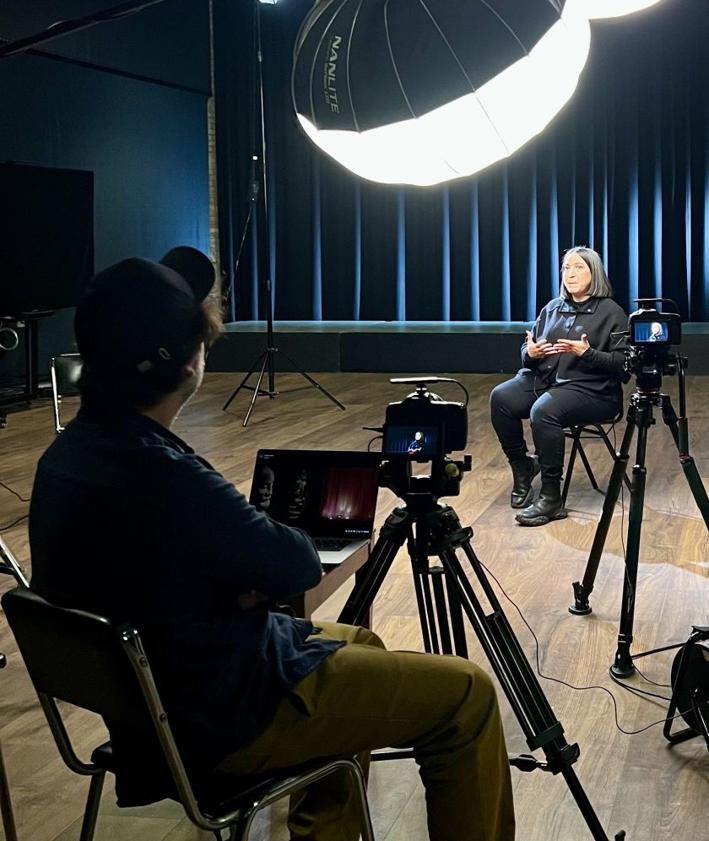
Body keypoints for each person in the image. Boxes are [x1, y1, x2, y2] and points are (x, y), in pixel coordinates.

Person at [29, 249, 515, 841]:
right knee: (467, 696)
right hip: (224, 714)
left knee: (361, 639)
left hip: (150, 704)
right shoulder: (163, 475)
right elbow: (296, 564)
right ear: (188, 366)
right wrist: (246, 580)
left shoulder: (68, 457)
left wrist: (231, 585)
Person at [489, 246, 628, 527]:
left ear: (594, 273)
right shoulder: (552, 307)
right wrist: (531, 353)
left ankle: (551, 497)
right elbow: (527, 350)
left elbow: (624, 364)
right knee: (501, 397)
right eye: (566, 268)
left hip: (592, 389)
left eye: (579, 268)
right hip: (544, 380)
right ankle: (523, 466)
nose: (571, 274)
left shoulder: (611, 312)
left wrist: (587, 353)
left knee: (544, 410)